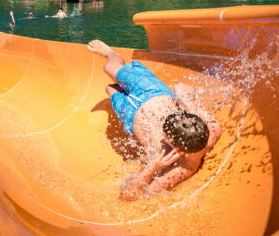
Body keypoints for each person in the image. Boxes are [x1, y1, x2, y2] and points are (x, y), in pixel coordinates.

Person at [87, 39, 221, 200]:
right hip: (153, 91)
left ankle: (118, 85)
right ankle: (112, 54)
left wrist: (152, 167)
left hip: (130, 114)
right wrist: (190, 104)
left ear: (173, 144)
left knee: (110, 88)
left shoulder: (180, 168)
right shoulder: (211, 129)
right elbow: (182, 89)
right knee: (110, 67)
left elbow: (128, 196)